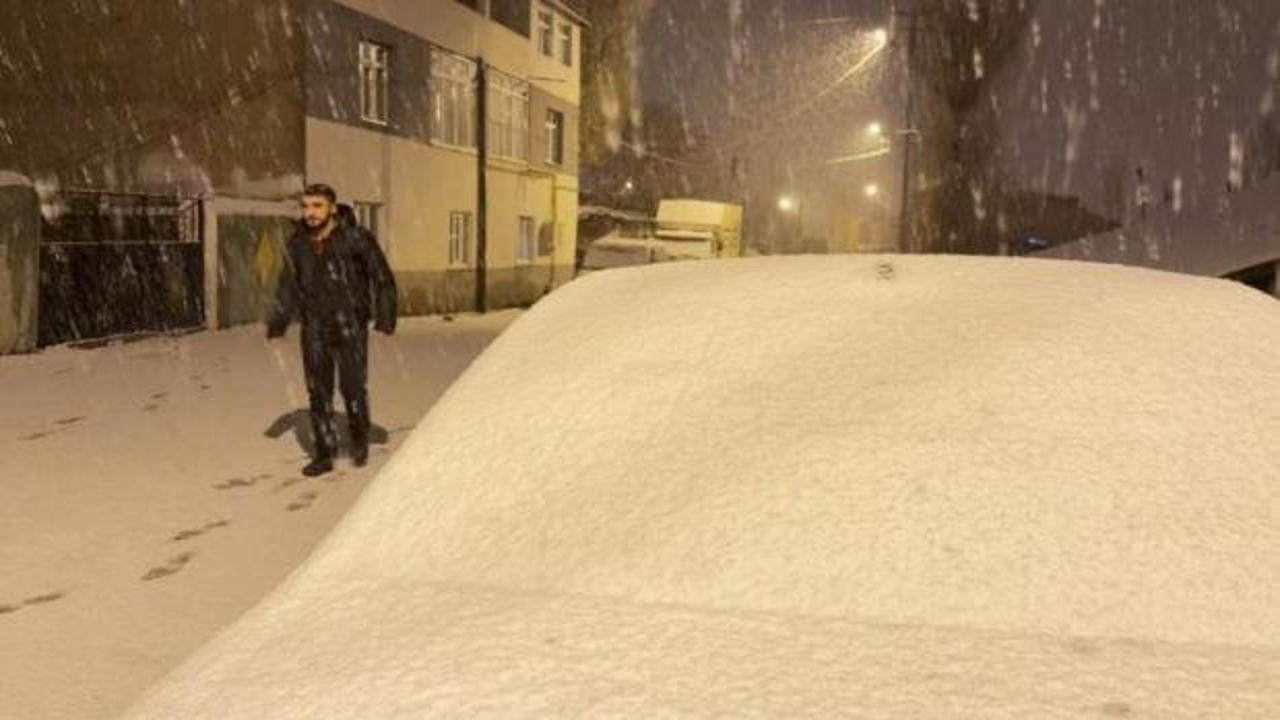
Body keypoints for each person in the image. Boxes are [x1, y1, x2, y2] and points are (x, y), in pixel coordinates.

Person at [267, 183, 397, 477]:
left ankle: (359, 441)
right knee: (318, 391)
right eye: (306, 206)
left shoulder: (356, 239)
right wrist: (278, 323)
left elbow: (382, 277)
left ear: (332, 208)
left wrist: (385, 318)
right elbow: (288, 284)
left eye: (317, 206)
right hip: (314, 326)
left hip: (349, 324)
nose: (310, 213)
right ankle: (324, 454)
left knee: (352, 387)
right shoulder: (298, 243)